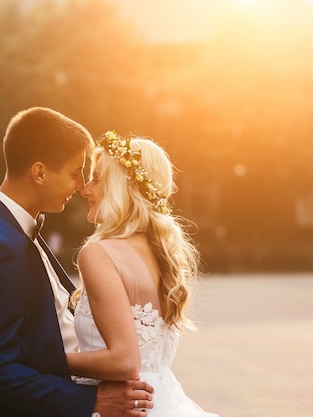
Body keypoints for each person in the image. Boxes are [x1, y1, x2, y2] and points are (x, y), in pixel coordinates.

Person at [0, 109, 154, 417]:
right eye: (75, 173)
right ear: (40, 172)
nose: (81, 185)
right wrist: (93, 401)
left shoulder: (12, 229)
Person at [67, 131, 218, 417]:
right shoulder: (163, 255)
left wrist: (47, 360)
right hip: (163, 401)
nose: (85, 189)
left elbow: (125, 361)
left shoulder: (98, 254)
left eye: (97, 178)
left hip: (124, 406)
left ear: (120, 187)